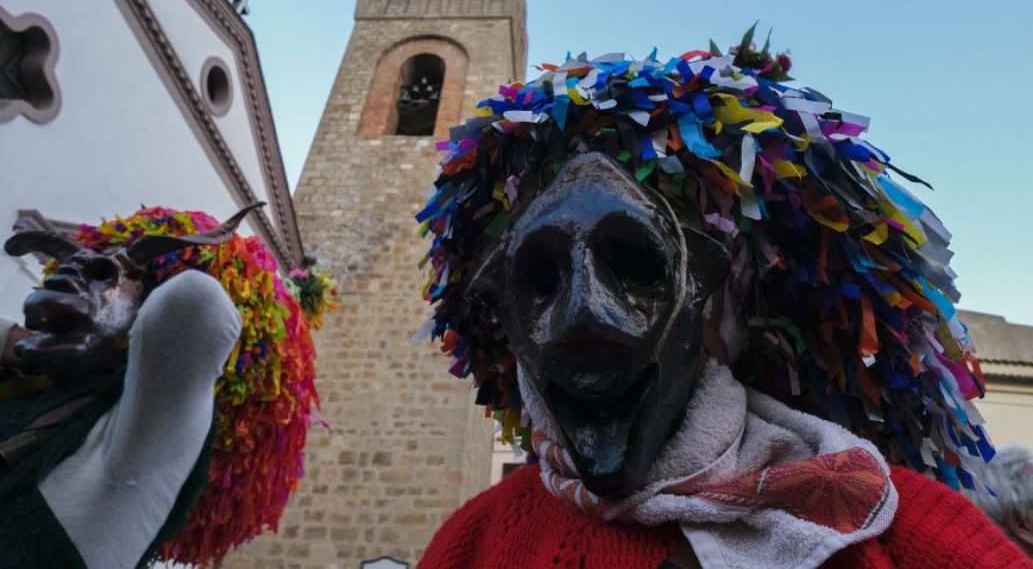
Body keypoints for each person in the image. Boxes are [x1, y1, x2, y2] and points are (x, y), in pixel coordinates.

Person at [414, 33, 1031, 568]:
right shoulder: (473, 545)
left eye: (636, 268)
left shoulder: (903, 526)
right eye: (542, 277)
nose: (584, 318)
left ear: (718, 306)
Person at [0, 205, 323, 568]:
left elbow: (196, 305)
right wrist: (24, 346)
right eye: (66, 269)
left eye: (106, 275)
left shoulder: (138, 447)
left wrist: (123, 296)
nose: (76, 274)